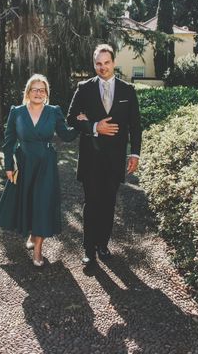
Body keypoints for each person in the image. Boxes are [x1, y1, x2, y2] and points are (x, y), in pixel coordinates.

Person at [66, 44, 142, 267]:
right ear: (94, 64)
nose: (103, 67)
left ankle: (102, 244)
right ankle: (89, 250)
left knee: (109, 203)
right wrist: (94, 126)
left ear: (114, 63)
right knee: (92, 203)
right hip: (91, 158)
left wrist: (135, 154)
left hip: (115, 159)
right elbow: (71, 118)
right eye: (98, 63)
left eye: (106, 63)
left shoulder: (128, 90)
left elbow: (135, 126)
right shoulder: (84, 88)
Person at [0, 74, 79, 267]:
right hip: (24, 164)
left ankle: (38, 249)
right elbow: (8, 143)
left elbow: (66, 135)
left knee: (42, 203)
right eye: (35, 89)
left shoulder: (53, 111)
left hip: (46, 165)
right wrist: (8, 166)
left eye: (42, 90)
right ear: (28, 92)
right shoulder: (16, 112)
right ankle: (32, 235)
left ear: (47, 93)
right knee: (28, 201)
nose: (38, 93)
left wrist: (81, 123)